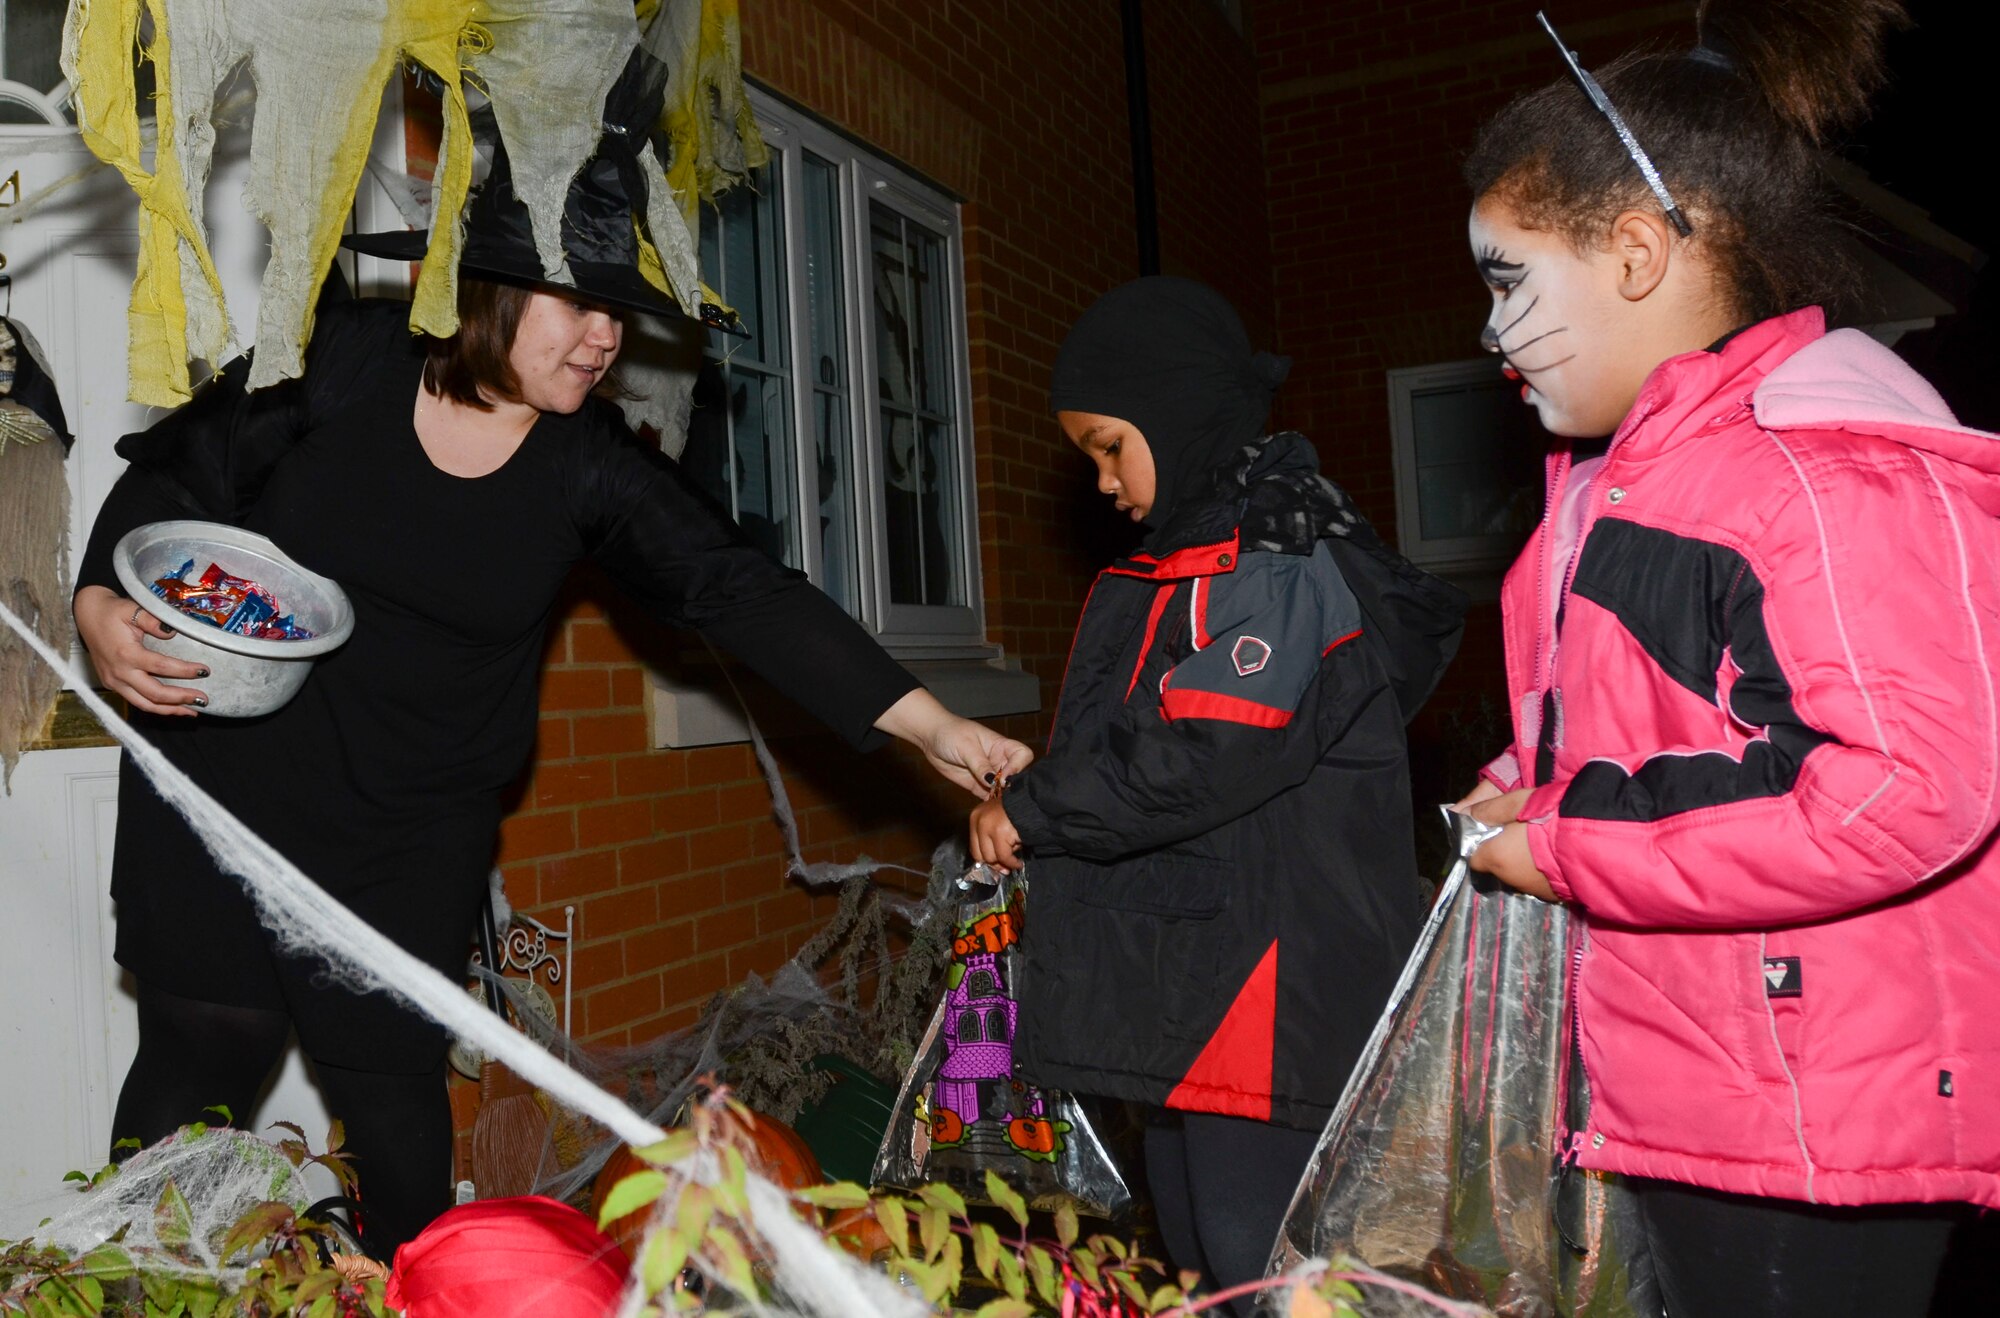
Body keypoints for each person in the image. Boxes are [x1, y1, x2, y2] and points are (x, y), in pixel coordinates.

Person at [70, 151, 1032, 1254]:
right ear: (487, 290)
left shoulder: (589, 468)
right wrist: (100, 598)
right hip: (225, 787)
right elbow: (176, 476)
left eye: (616, 311)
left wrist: (934, 726)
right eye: (578, 303)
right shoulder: (343, 363)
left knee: (391, 1120)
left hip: (407, 831)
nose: (605, 337)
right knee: (192, 1073)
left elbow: (742, 588)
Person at [1454, 3, 2000, 1313]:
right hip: (1685, 1086)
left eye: (1506, 278)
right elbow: (1647, 740)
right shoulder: (1617, 491)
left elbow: (1905, 783)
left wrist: (1571, 839)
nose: (1491, 332)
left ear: (1637, 252)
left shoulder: (1823, 472)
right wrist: (1521, 788)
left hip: (1810, 1124)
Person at [968, 277, 1467, 1313]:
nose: (1102, 480)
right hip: (1203, 989)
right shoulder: (1201, 559)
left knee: (1260, 1267)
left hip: (1270, 994)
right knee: (1197, 1259)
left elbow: (1203, 750)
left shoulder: (1275, 565)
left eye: (1110, 444)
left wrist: (1038, 807)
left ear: (1173, 411)